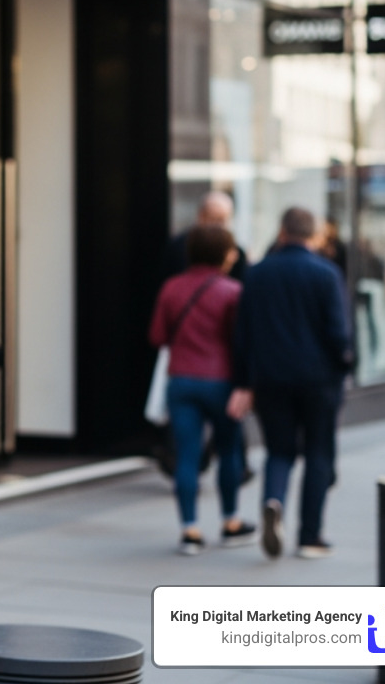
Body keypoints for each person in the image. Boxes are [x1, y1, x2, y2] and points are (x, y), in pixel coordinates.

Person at [228, 206, 353, 560]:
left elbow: (243, 334)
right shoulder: (326, 273)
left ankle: (273, 500)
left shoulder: (257, 274)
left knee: (279, 451)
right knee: (318, 452)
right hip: (319, 380)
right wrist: (344, 365)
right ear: (314, 236)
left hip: (271, 378)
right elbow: (339, 332)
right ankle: (310, 537)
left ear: (282, 232)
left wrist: (243, 381)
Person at [148, 225, 255, 555]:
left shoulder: (172, 287)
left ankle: (190, 530)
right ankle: (230, 521)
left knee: (186, 455)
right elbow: (242, 342)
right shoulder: (233, 291)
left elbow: (157, 336)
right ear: (224, 254)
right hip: (221, 382)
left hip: (181, 380)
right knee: (229, 452)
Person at [161, 191, 249, 283]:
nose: (217, 225)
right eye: (213, 219)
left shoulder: (236, 253)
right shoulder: (178, 248)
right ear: (201, 216)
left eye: (222, 220)